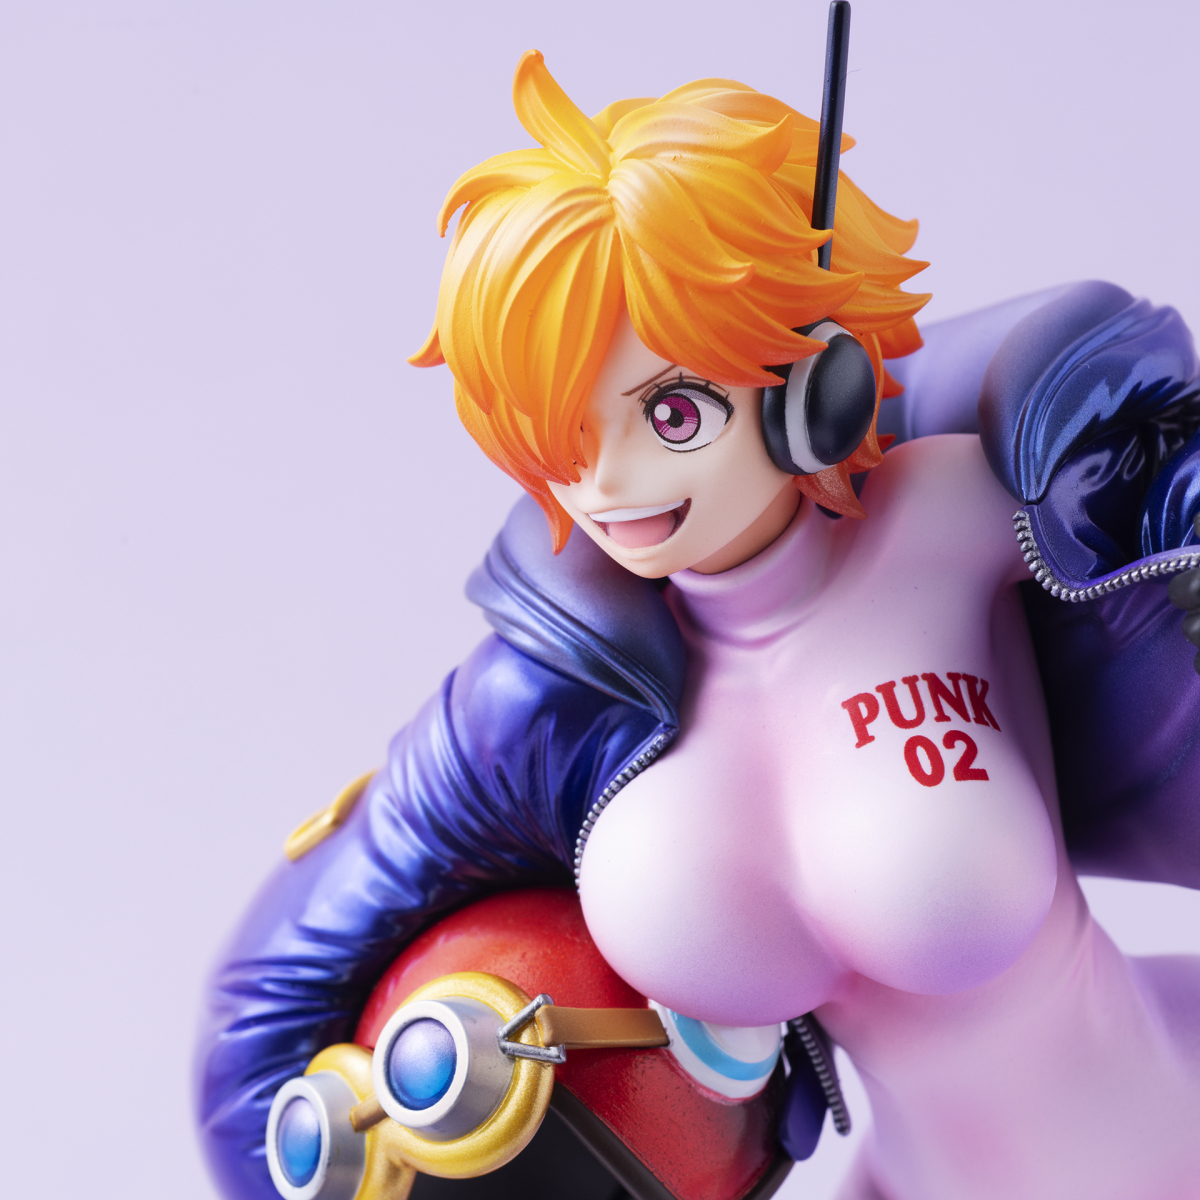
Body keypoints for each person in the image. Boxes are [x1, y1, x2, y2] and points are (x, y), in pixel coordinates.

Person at [196, 50, 1200, 1200]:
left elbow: (1156, 479)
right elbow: (260, 1020)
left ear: (813, 385)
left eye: (671, 413)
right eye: (564, 438)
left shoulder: (952, 514)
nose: (609, 483)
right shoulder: (557, 703)